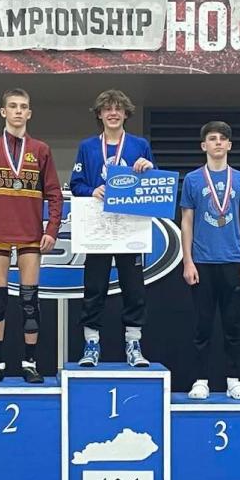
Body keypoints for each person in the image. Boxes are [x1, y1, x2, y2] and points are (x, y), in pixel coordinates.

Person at [0, 88, 62, 384]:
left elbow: (55, 195)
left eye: (23, 107)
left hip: (31, 234)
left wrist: (51, 230)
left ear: (29, 113)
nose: (18, 111)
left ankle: (29, 361)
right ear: (3, 112)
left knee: (30, 301)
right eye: (13, 106)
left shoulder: (42, 149)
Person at [70, 88, 156, 368]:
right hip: (98, 228)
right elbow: (76, 184)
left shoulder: (139, 144)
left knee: (134, 288)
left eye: (118, 108)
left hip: (130, 226)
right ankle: (91, 344)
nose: (113, 113)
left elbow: (153, 186)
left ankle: (134, 343)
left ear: (126, 113)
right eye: (108, 108)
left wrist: (149, 169)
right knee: (94, 287)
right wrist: (92, 190)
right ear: (100, 114)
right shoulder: (88, 146)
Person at [179, 120, 240, 400]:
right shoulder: (192, 180)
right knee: (202, 325)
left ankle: (234, 379)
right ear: (204, 146)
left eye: (223, 138)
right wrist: (187, 261)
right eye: (212, 138)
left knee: (233, 325)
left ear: (230, 145)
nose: (218, 143)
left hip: (233, 260)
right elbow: (186, 222)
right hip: (202, 261)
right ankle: (200, 379)